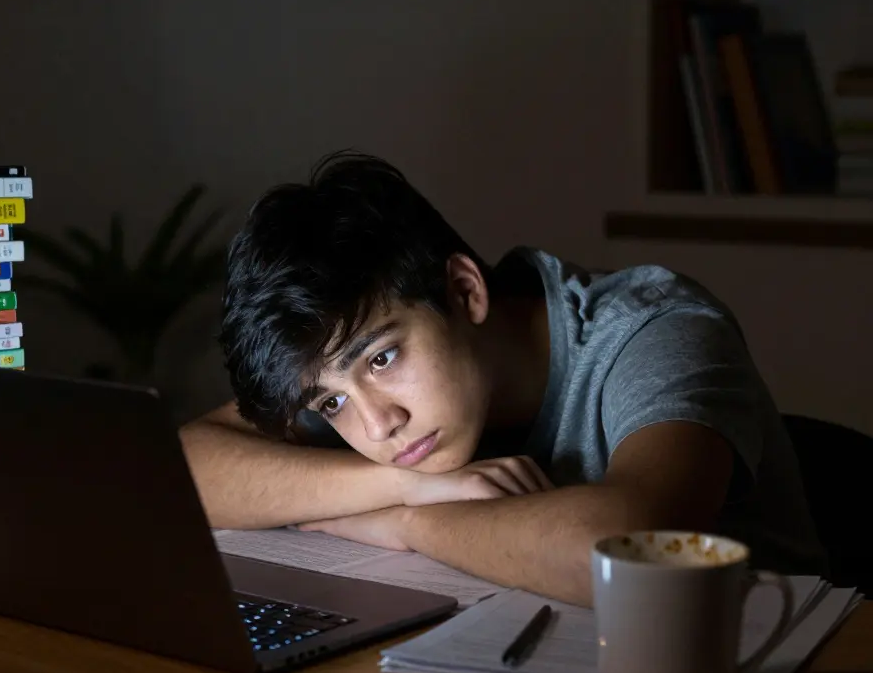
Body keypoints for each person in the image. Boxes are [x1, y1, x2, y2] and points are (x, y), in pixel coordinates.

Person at [178, 151, 826, 607]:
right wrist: (401, 484)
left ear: (465, 291)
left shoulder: (658, 331)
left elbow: (624, 553)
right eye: (331, 402)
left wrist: (406, 522)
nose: (377, 426)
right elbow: (184, 465)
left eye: (382, 359)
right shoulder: (375, 397)